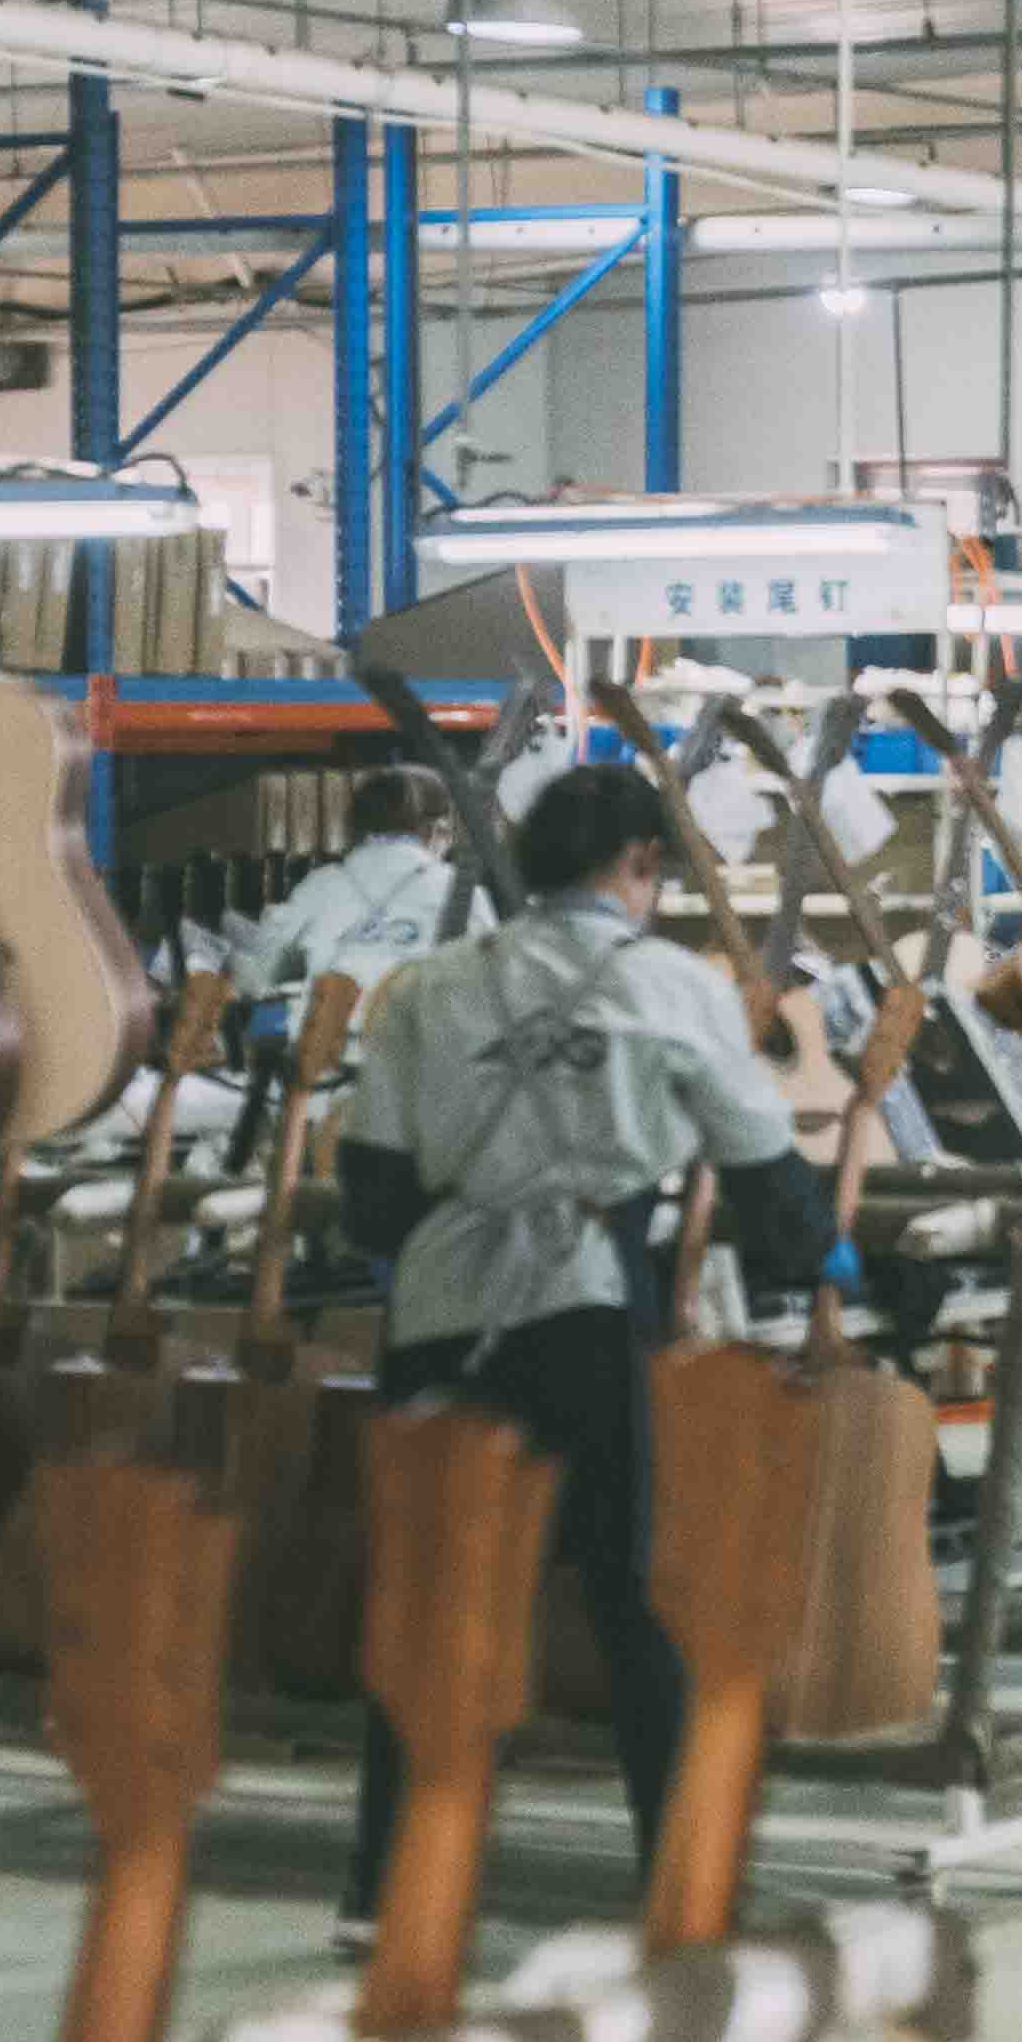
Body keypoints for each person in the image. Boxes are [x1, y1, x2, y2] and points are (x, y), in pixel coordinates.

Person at [332, 756, 827, 1930]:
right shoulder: (672, 985)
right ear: (641, 864)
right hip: (591, 1312)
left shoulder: (429, 987)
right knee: (637, 1605)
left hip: (440, 1322)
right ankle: (674, 1878)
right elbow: (759, 1158)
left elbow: (369, 1195)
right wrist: (814, 1264)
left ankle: (379, 1893)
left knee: (433, 1605)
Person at [237, 763, 463, 1003]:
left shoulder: (321, 886)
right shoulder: (458, 888)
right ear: (436, 830)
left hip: (336, 1034)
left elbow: (262, 970)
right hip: (425, 1033)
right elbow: (491, 976)